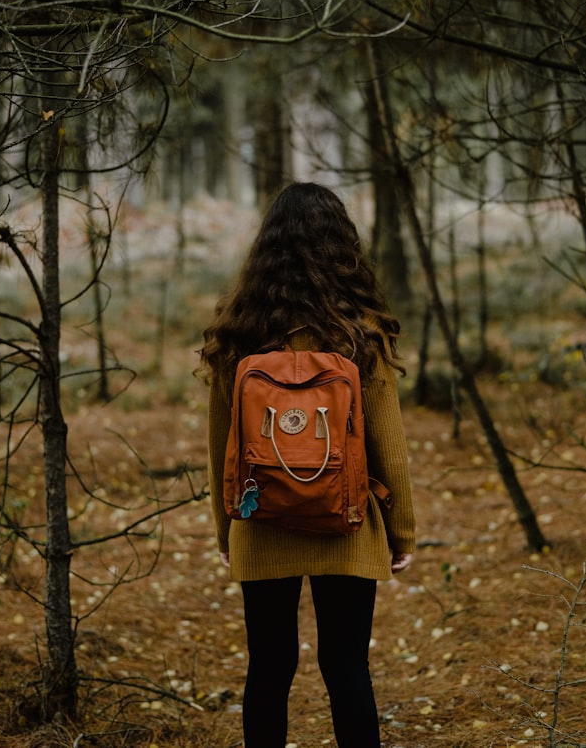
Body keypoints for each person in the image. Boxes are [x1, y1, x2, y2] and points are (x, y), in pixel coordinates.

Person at [198, 182, 417, 748]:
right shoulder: (360, 334)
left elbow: (220, 443)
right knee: (347, 672)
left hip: (261, 519)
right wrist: (401, 531)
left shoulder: (238, 333)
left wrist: (228, 529)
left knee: (268, 671)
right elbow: (388, 443)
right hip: (345, 523)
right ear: (342, 247)